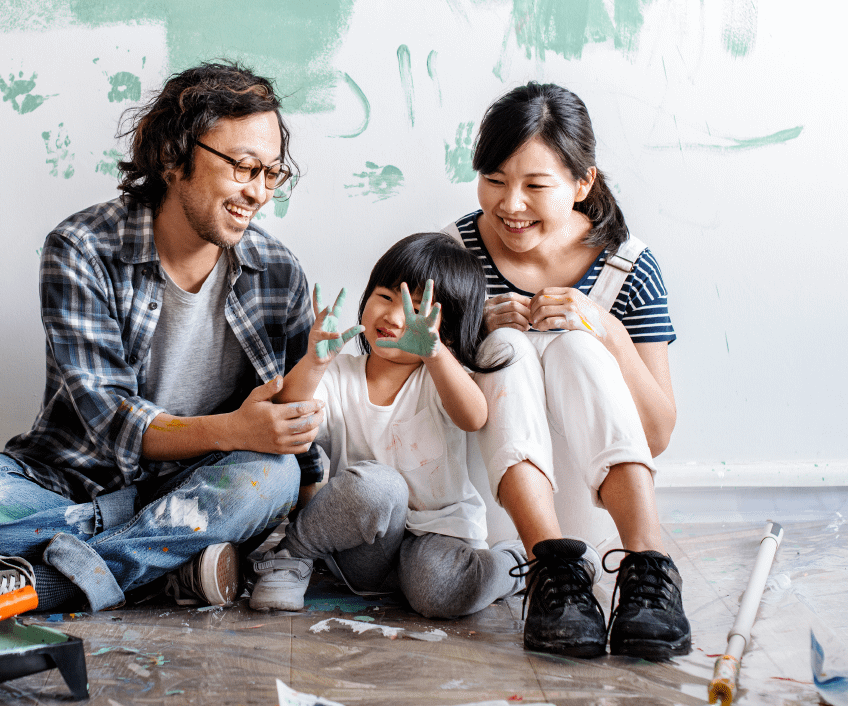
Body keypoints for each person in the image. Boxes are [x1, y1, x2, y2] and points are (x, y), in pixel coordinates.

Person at [0, 62, 325, 614]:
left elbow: (287, 430)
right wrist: (230, 429)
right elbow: (108, 416)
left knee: (271, 476)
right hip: (77, 484)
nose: (258, 193)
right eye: (245, 167)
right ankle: (166, 563)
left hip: (201, 484)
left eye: (272, 173)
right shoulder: (81, 248)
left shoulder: (278, 273)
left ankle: (49, 584)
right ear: (174, 156)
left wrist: (289, 466)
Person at [443, 81, 691, 660]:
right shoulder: (456, 253)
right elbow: (422, 401)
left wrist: (606, 328)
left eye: (535, 185)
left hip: (598, 509)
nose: (510, 204)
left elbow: (656, 433)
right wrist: (470, 332)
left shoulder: (627, 264)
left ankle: (647, 568)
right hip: (493, 515)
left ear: (583, 183)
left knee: (580, 347)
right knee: (506, 343)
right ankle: (552, 572)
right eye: (495, 180)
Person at [245, 233, 527, 618]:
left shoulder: (438, 377)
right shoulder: (342, 374)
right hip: (366, 547)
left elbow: (474, 416)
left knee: (441, 593)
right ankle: (292, 556)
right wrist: (313, 362)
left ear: (445, 328)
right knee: (378, 487)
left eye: (415, 311)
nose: (394, 317)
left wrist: (436, 354)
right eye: (386, 297)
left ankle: (514, 565)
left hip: (439, 537)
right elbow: (288, 414)